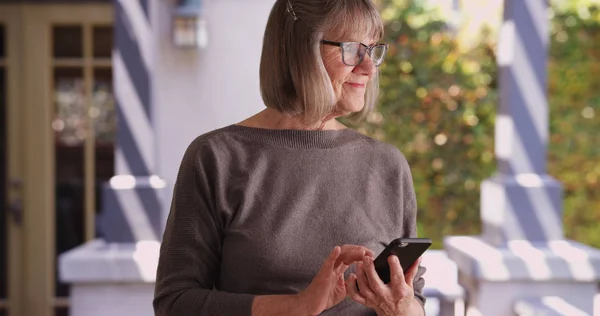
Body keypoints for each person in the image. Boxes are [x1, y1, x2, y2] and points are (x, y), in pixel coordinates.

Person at [153, 0, 427, 315]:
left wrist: (401, 307)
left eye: (373, 50)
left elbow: (414, 300)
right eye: (352, 49)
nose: (369, 67)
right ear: (300, 51)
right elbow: (175, 304)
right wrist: (296, 306)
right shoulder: (216, 158)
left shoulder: (388, 166)